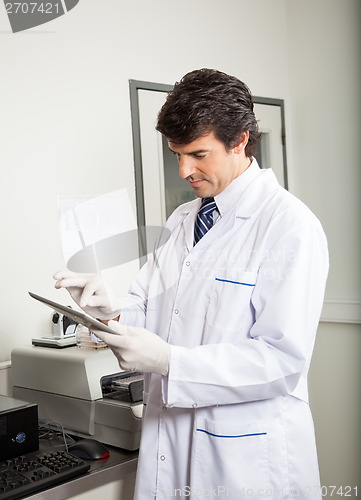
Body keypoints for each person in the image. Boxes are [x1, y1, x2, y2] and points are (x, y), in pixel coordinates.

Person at [54, 68, 329, 499]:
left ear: (240, 140)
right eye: (176, 154)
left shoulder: (289, 225)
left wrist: (169, 361)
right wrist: (109, 311)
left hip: (244, 458)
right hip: (172, 438)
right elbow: (155, 307)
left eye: (198, 153)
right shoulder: (185, 218)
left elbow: (281, 360)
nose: (184, 169)